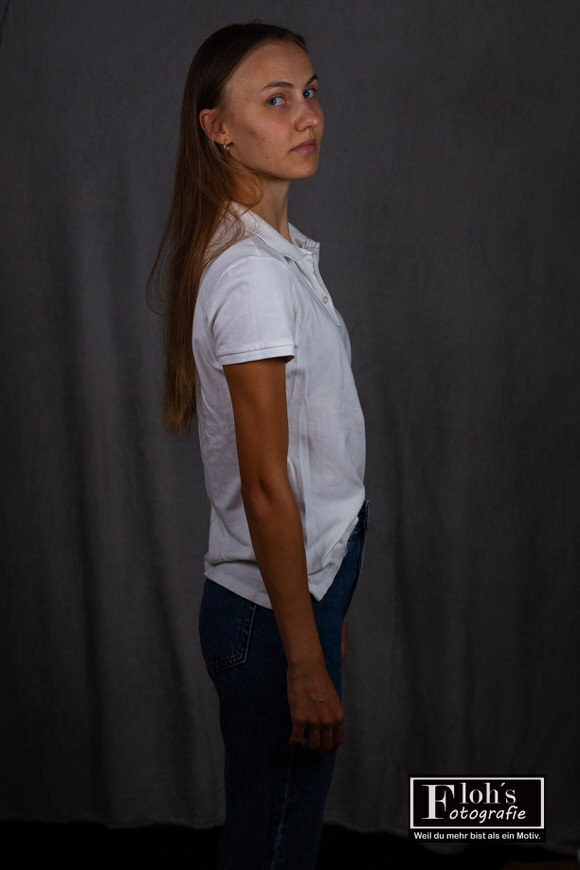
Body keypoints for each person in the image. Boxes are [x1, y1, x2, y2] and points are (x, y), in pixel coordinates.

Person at [149, 22, 367, 870]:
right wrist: (303, 657)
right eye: (276, 100)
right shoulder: (252, 277)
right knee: (274, 846)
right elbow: (267, 486)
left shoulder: (273, 256)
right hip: (271, 613)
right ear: (218, 128)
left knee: (276, 832)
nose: (307, 114)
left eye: (310, 92)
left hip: (297, 593)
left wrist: (325, 599)